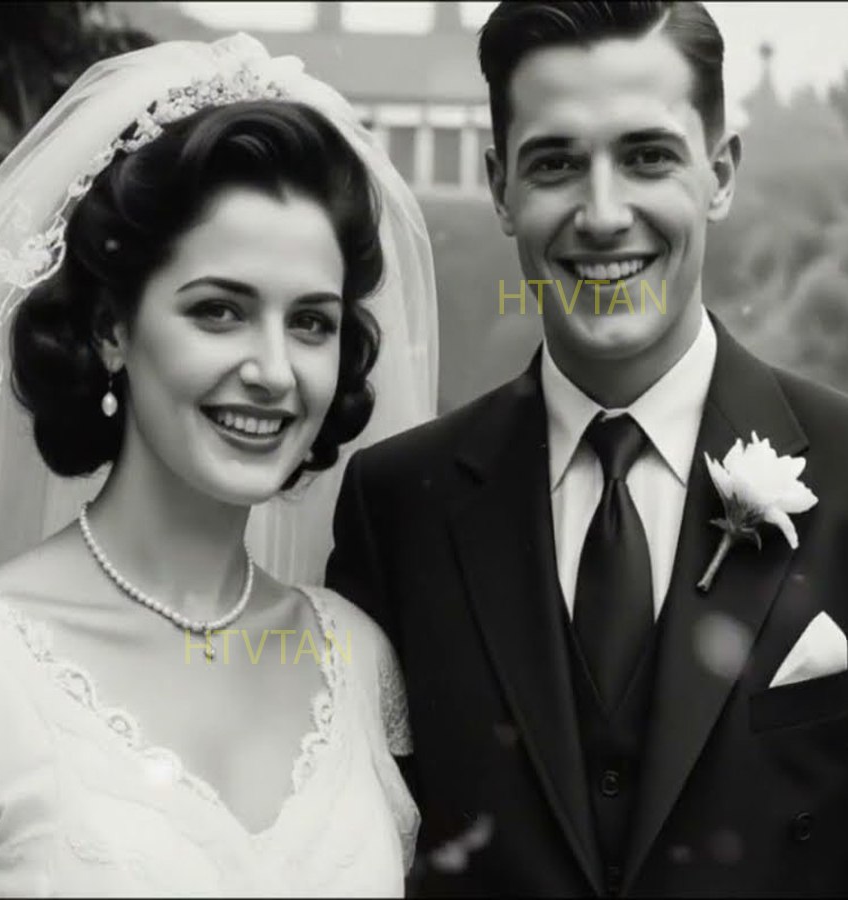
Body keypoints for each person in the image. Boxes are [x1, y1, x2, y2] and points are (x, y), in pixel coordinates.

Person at [326, 2, 848, 896]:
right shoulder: (397, 505)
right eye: (557, 164)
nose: (603, 215)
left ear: (720, 173)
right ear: (500, 188)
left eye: (647, 156)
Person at [0, 33, 438, 896]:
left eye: (312, 323)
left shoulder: (362, 664)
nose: (274, 371)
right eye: (219, 311)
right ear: (111, 329)